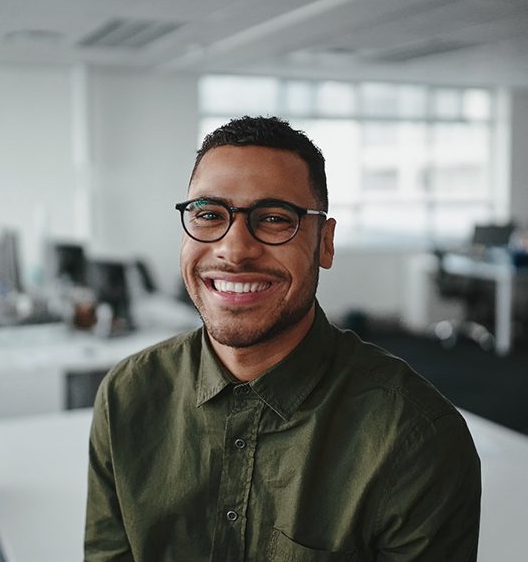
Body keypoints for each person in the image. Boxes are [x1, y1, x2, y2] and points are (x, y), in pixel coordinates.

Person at [84, 116, 481, 561]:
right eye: (209, 215)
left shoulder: (414, 437)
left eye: (274, 219)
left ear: (324, 243)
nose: (234, 250)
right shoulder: (126, 395)